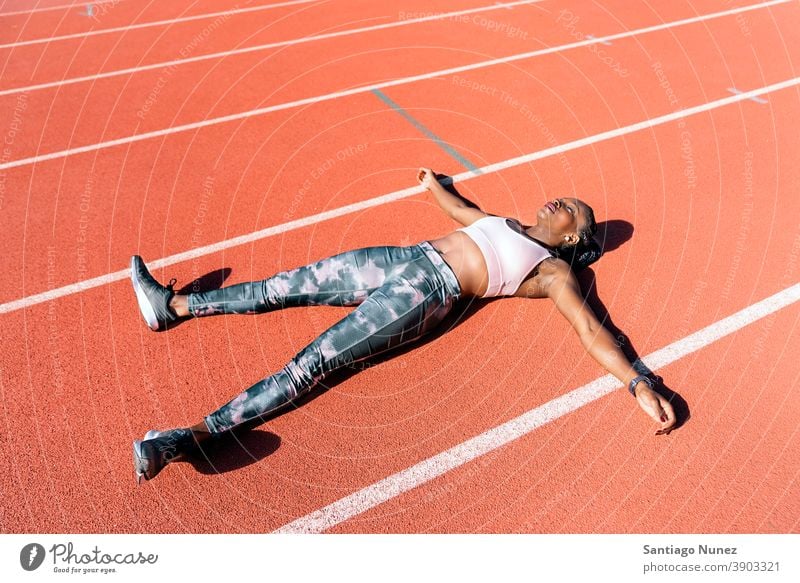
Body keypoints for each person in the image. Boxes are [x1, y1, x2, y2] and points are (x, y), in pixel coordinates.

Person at [130, 168, 676, 483]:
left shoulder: (553, 271)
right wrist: (434, 183)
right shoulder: (503, 220)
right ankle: (171, 308)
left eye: (574, 211)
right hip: (400, 258)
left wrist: (638, 383)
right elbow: (458, 208)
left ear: (573, 239)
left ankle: (192, 438)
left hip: (424, 294)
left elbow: (589, 329)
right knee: (284, 284)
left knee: (312, 363)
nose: (565, 201)